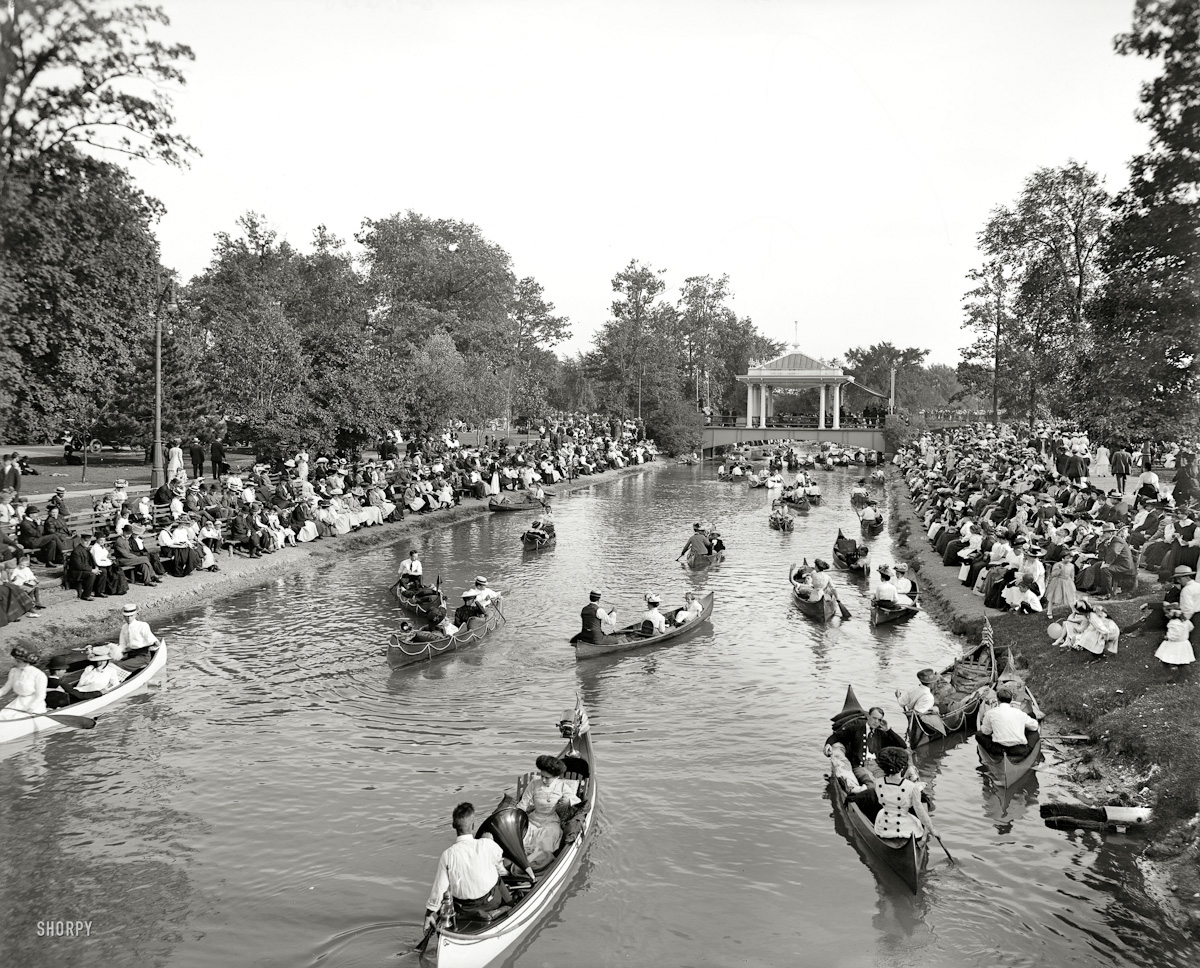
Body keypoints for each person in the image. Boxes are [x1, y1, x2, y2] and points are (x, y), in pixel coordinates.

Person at [423, 802, 510, 931]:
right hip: (489, 903)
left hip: (462, 910)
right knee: (497, 876)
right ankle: (510, 905)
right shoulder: (486, 845)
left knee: (449, 888)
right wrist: (489, 841)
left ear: (454, 826)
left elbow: (439, 888)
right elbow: (499, 858)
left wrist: (429, 914)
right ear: (473, 826)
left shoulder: (447, 855)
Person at [516, 755, 581, 870]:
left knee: (546, 842)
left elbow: (578, 801)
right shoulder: (534, 784)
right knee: (522, 840)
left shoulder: (562, 786)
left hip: (551, 821)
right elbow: (523, 804)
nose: (544, 780)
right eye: (542, 776)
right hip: (534, 819)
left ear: (556, 776)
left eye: (547, 778)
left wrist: (568, 800)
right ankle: (524, 862)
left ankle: (539, 864)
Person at [824, 706, 907, 786]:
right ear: (868, 716)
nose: (876, 722)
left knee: (885, 782)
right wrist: (828, 744)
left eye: (879, 720)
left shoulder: (882, 733)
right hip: (860, 766)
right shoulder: (855, 729)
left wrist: (889, 730)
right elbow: (836, 736)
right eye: (874, 718)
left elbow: (902, 745)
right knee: (870, 783)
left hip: (877, 766)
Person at [872, 747, 935, 841]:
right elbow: (921, 813)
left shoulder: (877, 782)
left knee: (881, 813)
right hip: (906, 829)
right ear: (902, 767)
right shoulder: (913, 787)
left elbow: (892, 790)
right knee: (917, 821)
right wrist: (932, 830)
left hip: (885, 828)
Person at [976, 682, 1040, 757]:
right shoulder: (1019, 713)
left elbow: (985, 731)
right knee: (1034, 733)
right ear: (1011, 700)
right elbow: (1035, 726)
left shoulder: (990, 713)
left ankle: (992, 757)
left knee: (979, 734)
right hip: (1020, 750)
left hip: (999, 750)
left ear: (997, 699)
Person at [0, 644, 48, 720]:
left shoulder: (39, 675)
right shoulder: (14, 671)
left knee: (16, 717)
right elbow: (5, 688)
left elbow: (41, 695)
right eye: (15, 660)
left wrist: (31, 708)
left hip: (34, 705)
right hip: (18, 703)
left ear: (26, 661)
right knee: (2, 716)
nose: (15, 663)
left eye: (18, 661)